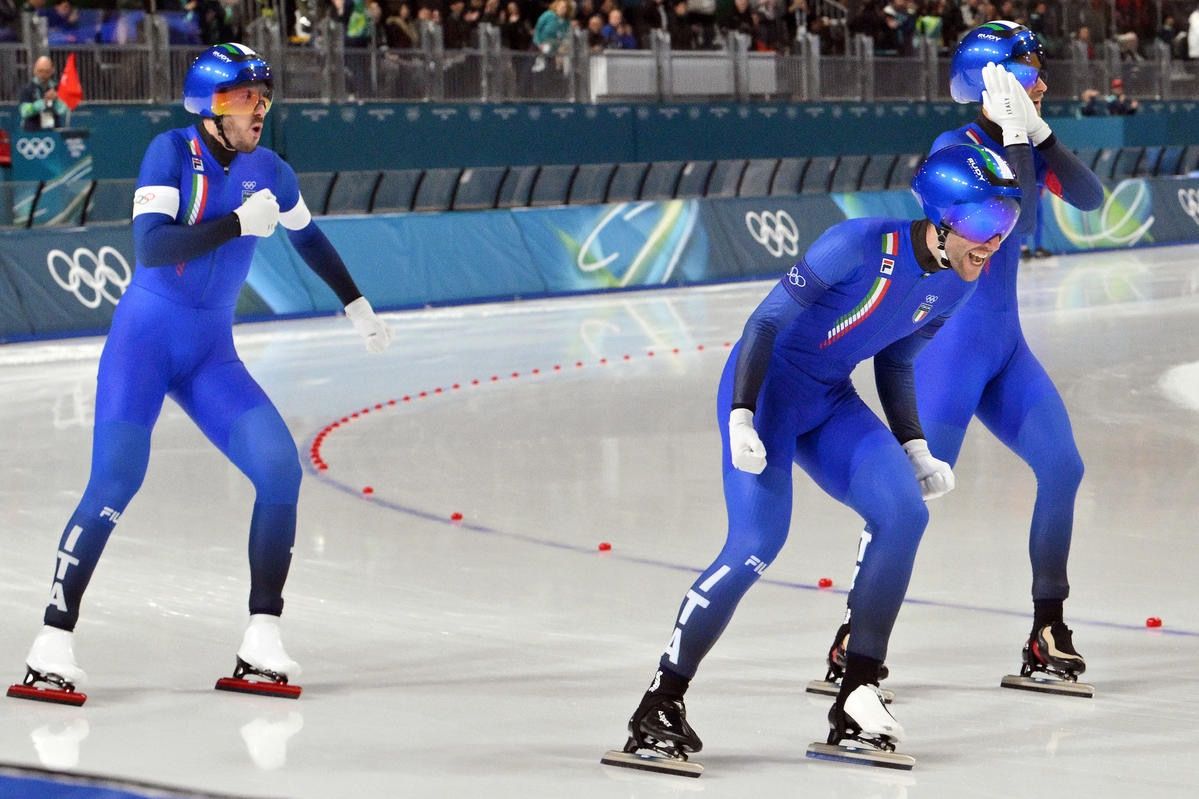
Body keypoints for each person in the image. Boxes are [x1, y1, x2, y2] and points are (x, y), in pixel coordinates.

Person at [603, 141, 1025, 775]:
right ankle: (660, 701)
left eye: (1007, 222)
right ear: (942, 217)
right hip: (766, 396)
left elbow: (897, 360)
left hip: (827, 399)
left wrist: (913, 445)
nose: (994, 241)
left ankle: (857, 691)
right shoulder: (856, 244)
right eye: (985, 221)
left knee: (904, 515)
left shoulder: (957, 281)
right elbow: (763, 325)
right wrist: (741, 415)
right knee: (755, 544)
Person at [8, 43, 392, 706]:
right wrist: (237, 222)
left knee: (279, 470)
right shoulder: (170, 152)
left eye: (262, 98)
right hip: (145, 344)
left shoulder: (271, 169)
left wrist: (355, 303)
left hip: (211, 354)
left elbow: (307, 237)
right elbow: (152, 247)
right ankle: (51, 640)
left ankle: (261, 637)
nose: (258, 110)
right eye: (244, 98)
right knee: (116, 480)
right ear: (209, 107)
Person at [815, 21, 1105, 700]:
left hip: (1004, 348)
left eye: (1041, 70)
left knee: (1063, 468)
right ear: (991, 80)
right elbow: (1018, 217)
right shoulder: (954, 147)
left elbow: (1091, 199)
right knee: (905, 501)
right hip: (948, 351)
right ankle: (854, 639)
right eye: (1029, 71)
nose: (1043, 82)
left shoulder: (1022, 139)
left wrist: (1039, 136)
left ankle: (1047, 628)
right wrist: (1017, 138)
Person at [18, 55, 68, 131]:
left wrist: (56, 99)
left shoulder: (57, 88)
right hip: (32, 132)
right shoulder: (27, 89)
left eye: (47, 71)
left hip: (53, 131)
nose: (43, 74)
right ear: (34, 70)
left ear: (52, 71)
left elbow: (63, 110)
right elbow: (24, 112)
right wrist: (44, 102)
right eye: (40, 71)